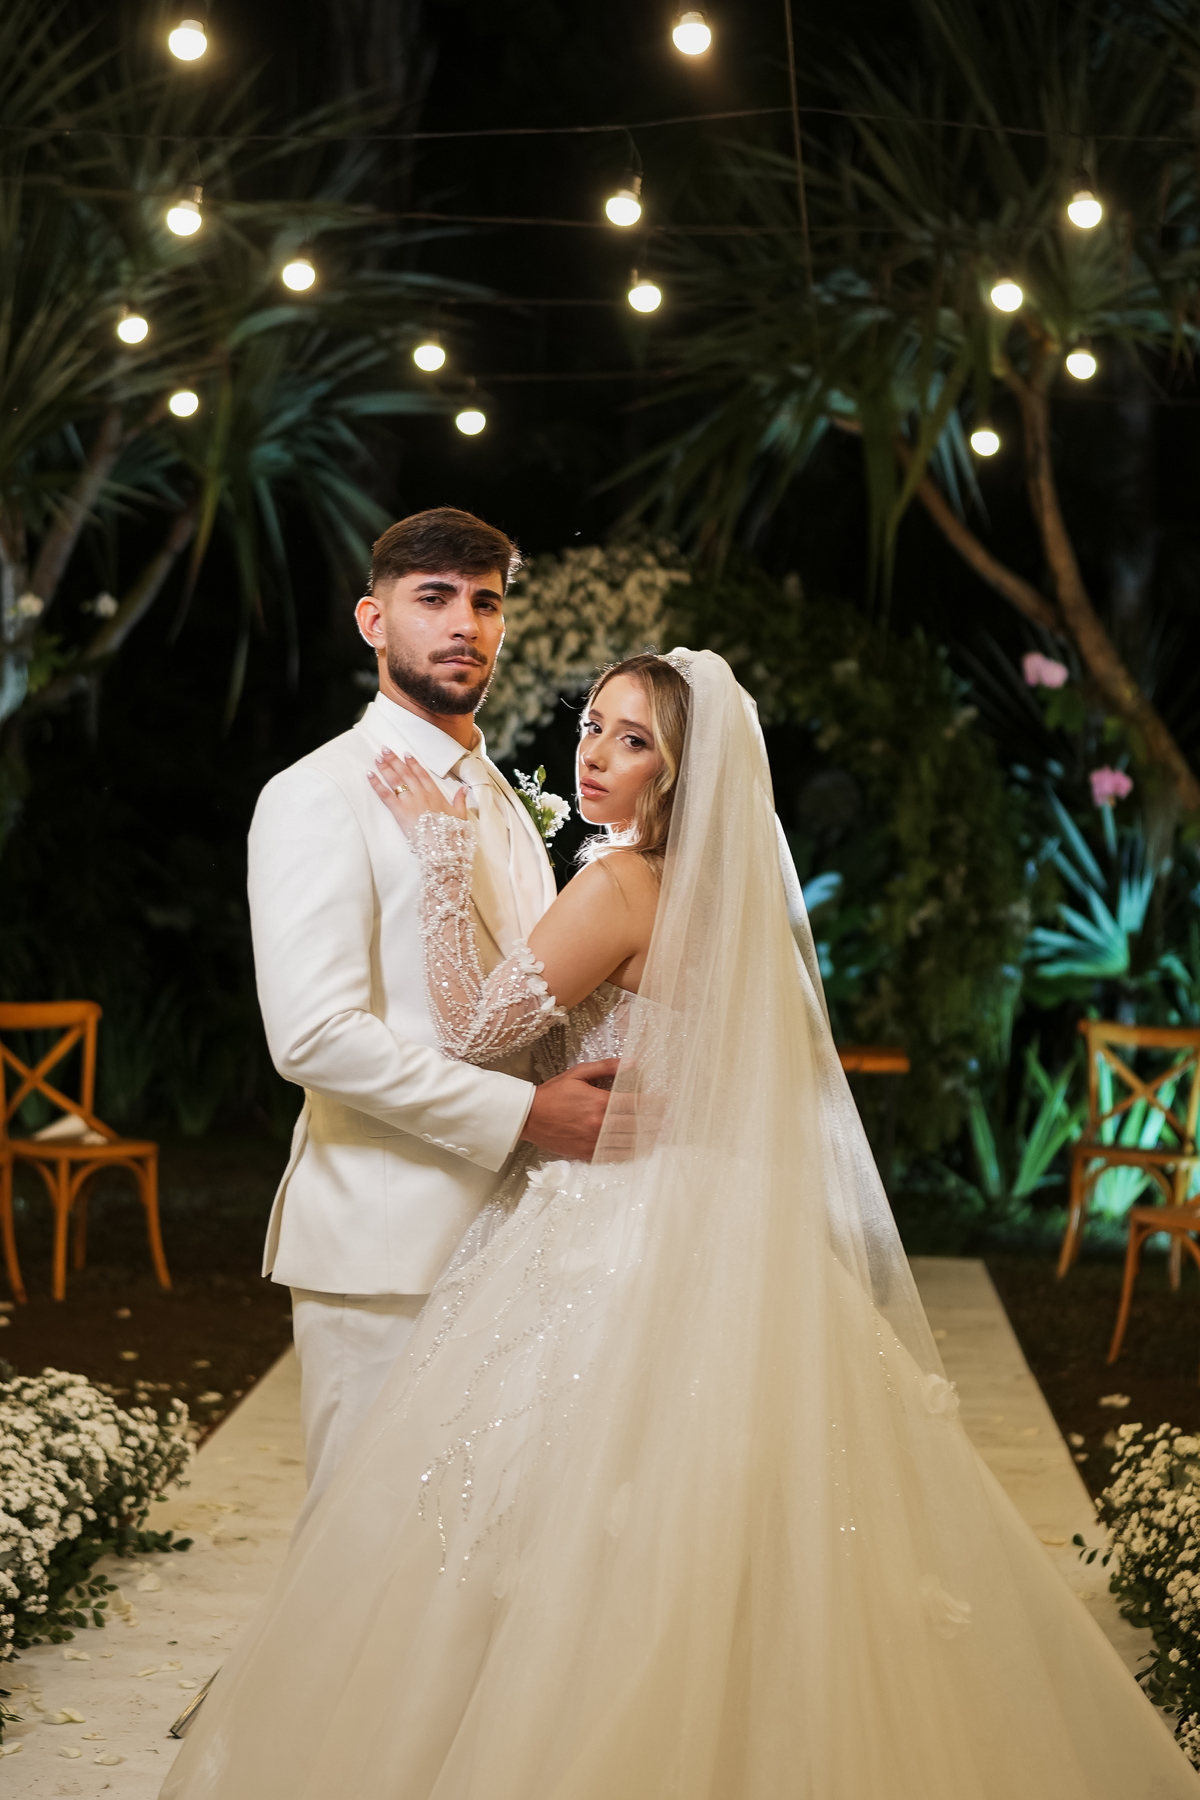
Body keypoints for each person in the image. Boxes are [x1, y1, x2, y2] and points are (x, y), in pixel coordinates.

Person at [166, 649, 1199, 1799]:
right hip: (725, 1219)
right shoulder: (737, 907)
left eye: (634, 740)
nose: (596, 755)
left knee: (532, 1506)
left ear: (680, 770)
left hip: (611, 1218)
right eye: (593, 727)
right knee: (717, 1509)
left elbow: (468, 1037)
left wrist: (445, 859)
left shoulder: (617, 888)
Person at [247, 506, 617, 1522]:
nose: (465, 624)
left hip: (522, 1234)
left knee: (475, 1556)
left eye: (485, 602)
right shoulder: (318, 794)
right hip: (385, 1244)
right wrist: (526, 1115)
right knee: (363, 1546)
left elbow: (517, 1000)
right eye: (434, 598)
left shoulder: (499, 795)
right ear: (374, 621)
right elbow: (314, 1037)